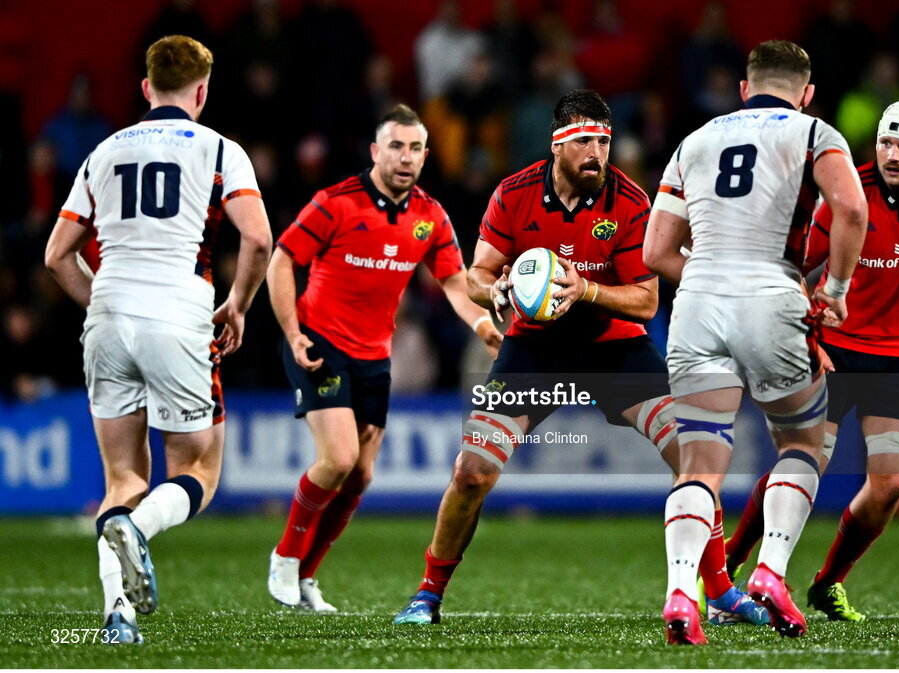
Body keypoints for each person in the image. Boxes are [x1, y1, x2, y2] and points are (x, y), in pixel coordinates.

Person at [392, 89, 768, 630]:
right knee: (471, 472)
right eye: (585, 141)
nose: (598, 153)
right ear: (557, 145)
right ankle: (428, 594)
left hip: (613, 347)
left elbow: (646, 299)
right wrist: (494, 292)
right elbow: (477, 274)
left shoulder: (632, 202)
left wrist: (586, 290)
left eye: (604, 141)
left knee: (692, 455)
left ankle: (721, 591)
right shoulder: (513, 193)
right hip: (535, 348)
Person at [722, 99, 899, 622]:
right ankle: (724, 569)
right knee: (803, 463)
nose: (892, 155)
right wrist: (801, 332)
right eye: (885, 142)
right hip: (830, 349)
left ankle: (827, 583)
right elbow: (791, 268)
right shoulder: (847, 191)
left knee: (893, 483)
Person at [43, 35, 273, 644]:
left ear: (146, 89)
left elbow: (57, 256)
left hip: (109, 316)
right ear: (202, 91)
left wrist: (105, 305)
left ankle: (117, 613)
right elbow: (257, 241)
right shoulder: (222, 150)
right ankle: (140, 530)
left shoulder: (102, 152)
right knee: (198, 467)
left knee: (120, 481)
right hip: (178, 316)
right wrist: (239, 306)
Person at [643, 40, 868, 644]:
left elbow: (655, 252)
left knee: (698, 464)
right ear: (807, 92)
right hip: (773, 295)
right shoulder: (815, 131)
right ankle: (770, 572)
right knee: (804, 439)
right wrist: (837, 291)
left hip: (697, 302)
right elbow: (850, 208)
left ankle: (680, 596)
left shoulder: (695, 140)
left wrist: (710, 279)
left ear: (744, 88)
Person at [266, 104, 503, 611]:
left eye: (416, 148)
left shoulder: (430, 216)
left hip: (375, 355)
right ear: (375, 152)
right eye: (396, 146)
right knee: (339, 458)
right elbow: (283, 260)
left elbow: (455, 282)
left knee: (362, 476)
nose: (406, 157)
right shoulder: (335, 203)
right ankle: (285, 558)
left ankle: (307, 577)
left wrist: (482, 323)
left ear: (425, 155)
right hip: (319, 343)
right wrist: (292, 332)